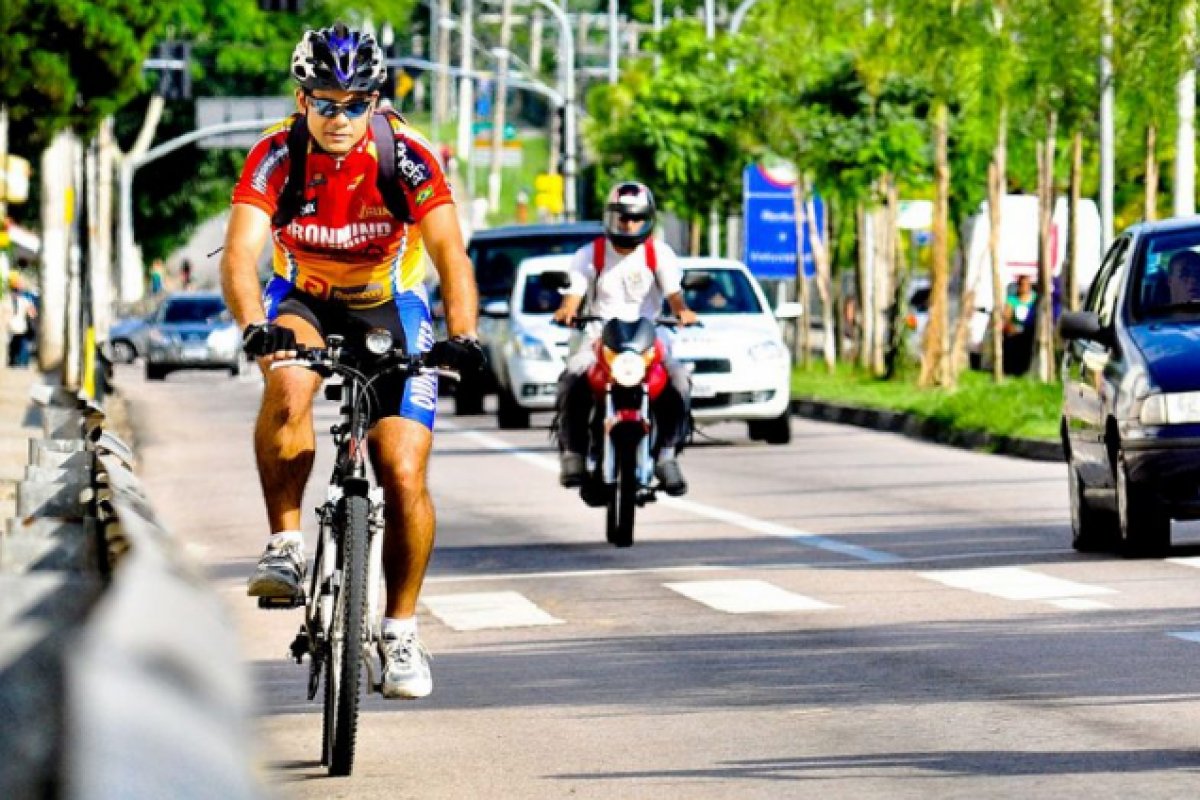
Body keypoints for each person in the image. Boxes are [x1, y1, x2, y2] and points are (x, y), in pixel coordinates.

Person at [219, 23, 483, 701]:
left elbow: (451, 255)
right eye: (325, 102)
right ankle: (283, 545)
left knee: (401, 468)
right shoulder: (276, 156)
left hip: (388, 303)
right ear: (301, 98)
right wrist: (254, 326)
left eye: (354, 102)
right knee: (286, 390)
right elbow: (239, 253)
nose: (339, 117)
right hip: (302, 296)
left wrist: (463, 334)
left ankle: (398, 629)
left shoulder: (407, 155)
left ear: (375, 100)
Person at [552, 181, 698, 496]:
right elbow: (573, 297)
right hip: (599, 342)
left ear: (648, 219)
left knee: (680, 382)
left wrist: (684, 312)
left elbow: (675, 297)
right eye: (622, 217)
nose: (628, 224)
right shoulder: (590, 254)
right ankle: (573, 454)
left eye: (636, 218)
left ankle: (667, 456)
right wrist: (566, 311)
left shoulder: (659, 254)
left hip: (650, 343)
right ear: (610, 217)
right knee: (570, 380)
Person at [1002, 275, 1037, 376]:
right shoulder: (1012, 299)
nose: (1024, 287)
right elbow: (1007, 316)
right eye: (1021, 284)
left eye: (1026, 284)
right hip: (1014, 330)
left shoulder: (1035, 299)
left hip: (1030, 330)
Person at [7, 272, 37, 368]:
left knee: (14, 346)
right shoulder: (25, 298)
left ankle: (16, 363)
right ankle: (22, 364)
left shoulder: (9, 298)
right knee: (22, 346)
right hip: (20, 326)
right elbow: (32, 313)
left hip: (12, 327)